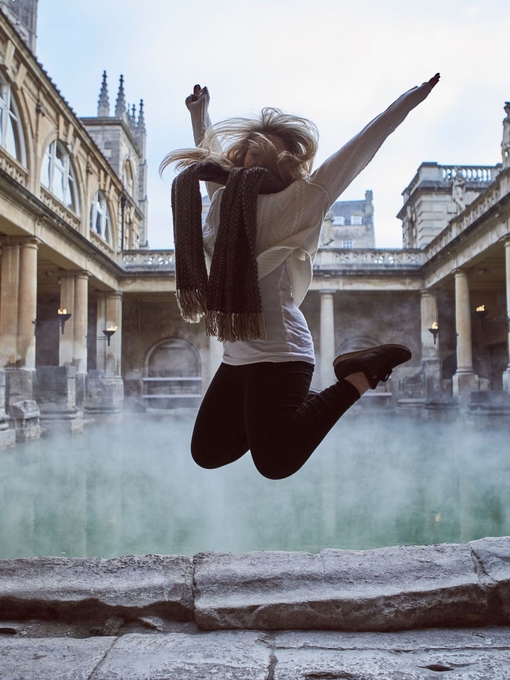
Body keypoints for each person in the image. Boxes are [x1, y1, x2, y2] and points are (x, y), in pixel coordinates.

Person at [162, 73, 441, 480]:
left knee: (275, 462)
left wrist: (408, 101)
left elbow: (361, 147)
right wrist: (200, 114)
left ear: (285, 161)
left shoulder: (305, 198)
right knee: (208, 451)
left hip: (281, 350)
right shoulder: (224, 200)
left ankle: (362, 374)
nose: (249, 160)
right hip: (236, 354)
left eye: (263, 154)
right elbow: (214, 155)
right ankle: (298, 404)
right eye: (246, 153)